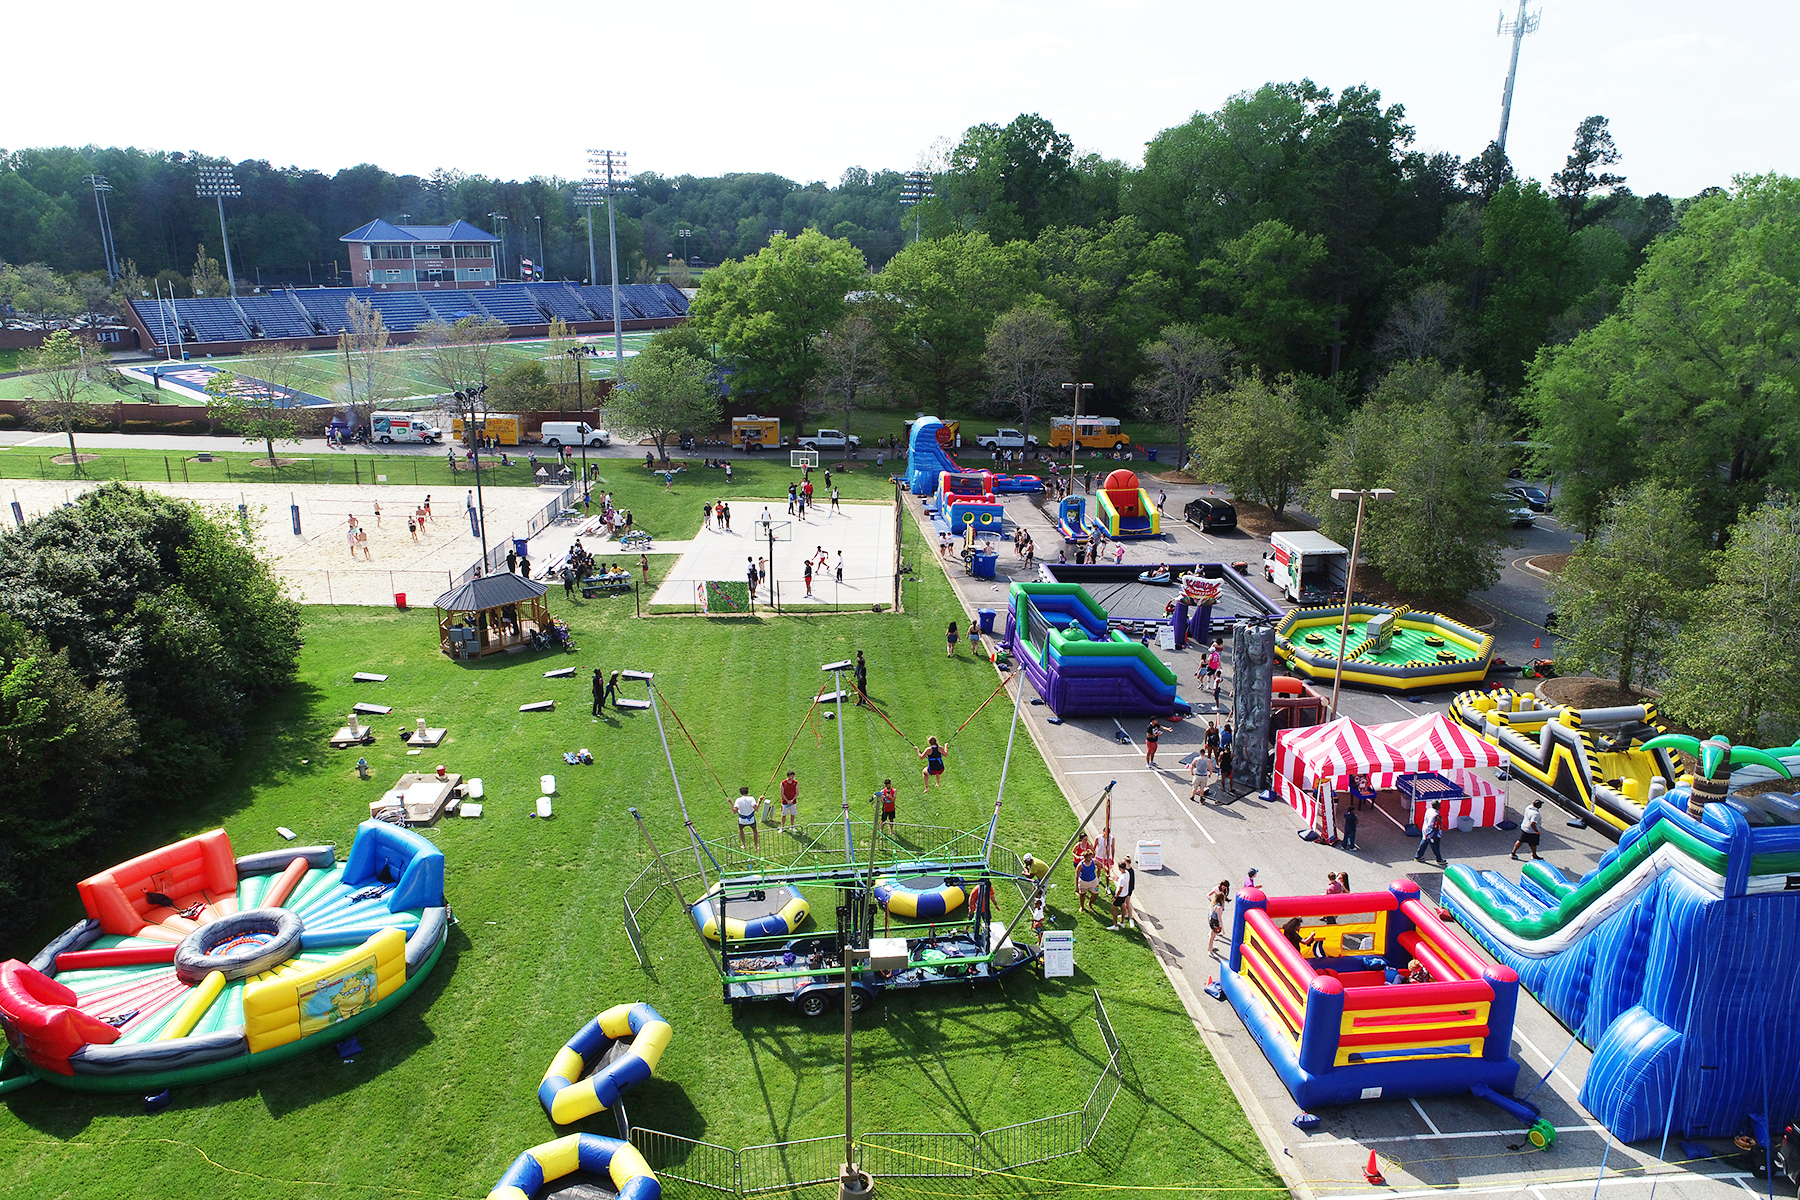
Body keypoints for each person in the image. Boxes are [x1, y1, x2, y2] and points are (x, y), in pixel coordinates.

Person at [1415, 800, 1446, 866]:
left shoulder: (1429, 810)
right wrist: (1433, 833)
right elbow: (1431, 825)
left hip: (1425, 830)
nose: (1440, 806)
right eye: (1439, 804)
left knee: (1424, 842)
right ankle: (1439, 859)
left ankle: (1418, 856)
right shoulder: (1435, 814)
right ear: (1437, 806)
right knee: (1435, 846)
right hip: (1432, 833)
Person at [1108, 857, 1136, 931]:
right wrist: (1114, 878)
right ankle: (1122, 922)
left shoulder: (1122, 878)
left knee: (1113, 909)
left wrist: (1115, 897)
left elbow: (1119, 890)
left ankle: (1115, 925)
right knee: (1123, 907)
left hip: (1120, 895)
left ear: (1120, 868)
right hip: (1125, 894)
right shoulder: (1127, 873)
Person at [1206, 881, 1230, 957]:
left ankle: (1211, 947)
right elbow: (1220, 919)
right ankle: (1210, 951)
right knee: (1212, 936)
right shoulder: (1219, 908)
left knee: (1212, 935)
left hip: (1211, 919)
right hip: (1214, 922)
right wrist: (1222, 929)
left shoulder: (1214, 903)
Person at [1074, 844, 1100, 914]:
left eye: (1090, 856)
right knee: (1082, 895)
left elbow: (1100, 865)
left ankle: (1090, 903)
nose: (1090, 858)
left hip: (1093, 881)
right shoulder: (1080, 865)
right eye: (1088, 857)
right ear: (1085, 857)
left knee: (1095, 894)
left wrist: (1105, 868)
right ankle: (1082, 906)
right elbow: (1077, 876)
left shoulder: (1094, 861)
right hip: (1083, 882)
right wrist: (1076, 886)